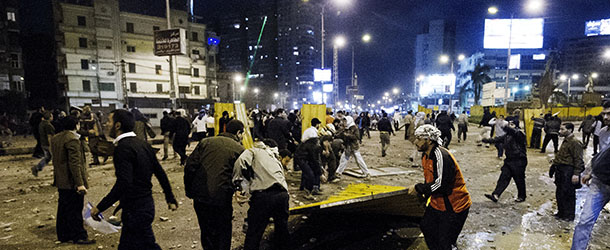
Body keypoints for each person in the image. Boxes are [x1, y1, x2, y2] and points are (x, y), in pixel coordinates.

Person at [91, 109, 178, 249]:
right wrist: (170, 198)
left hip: (135, 210)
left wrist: (100, 207)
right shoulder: (142, 145)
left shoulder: (123, 149)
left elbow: (124, 182)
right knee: (142, 244)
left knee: (143, 245)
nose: (106, 124)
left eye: (109, 121)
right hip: (145, 206)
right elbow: (160, 173)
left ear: (118, 125)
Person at [184, 120, 245, 250]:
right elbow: (240, 175)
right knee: (223, 232)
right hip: (221, 199)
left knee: (206, 231)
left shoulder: (206, 142)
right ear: (238, 133)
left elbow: (190, 166)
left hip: (200, 197)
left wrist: (190, 190)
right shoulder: (239, 149)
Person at [410, 125, 471, 250]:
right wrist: (424, 197)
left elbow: (441, 185)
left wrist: (418, 188)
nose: (415, 142)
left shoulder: (441, 156)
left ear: (429, 140)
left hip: (454, 206)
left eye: (419, 139)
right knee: (427, 227)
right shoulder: (425, 156)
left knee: (445, 241)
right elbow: (429, 180)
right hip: (438, 204)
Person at [233, 139, 291, 250]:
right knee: (282, 231)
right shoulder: (274, 158)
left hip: (264, 196)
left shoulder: (254, 151)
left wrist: (237, 185)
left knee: (254, 232)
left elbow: (240, 161)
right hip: (282, 196)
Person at [571, 101, 610, 249]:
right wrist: (590, 172)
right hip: (600, 184)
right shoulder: (603, 132)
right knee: (584, 222)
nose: (605, 117)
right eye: (604, 114)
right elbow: (602, 155)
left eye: (609, 114)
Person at [51, 116, 95, 245]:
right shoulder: (73, 139)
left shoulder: (56, 138)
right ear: (76, 125)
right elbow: (75, 164)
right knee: (75, 209)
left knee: (63, 208)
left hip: (61, 180)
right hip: (71, 182)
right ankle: (79, 236)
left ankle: (63, 235)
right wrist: (80, 184)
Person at [483, 121, 528, 203]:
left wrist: (505, 127)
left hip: (519, 160)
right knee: (503, 177)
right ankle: (496, 195)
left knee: (519, 179)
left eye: (512, 124)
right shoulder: (507, 136)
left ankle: (522, 196)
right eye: (509, 124)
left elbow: (514, 132)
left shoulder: (520, 134)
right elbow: (497, 139)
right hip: (509, 160)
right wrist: (485, 140)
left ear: (516, 126)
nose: (509, 126)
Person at [548, 123, 584, 222]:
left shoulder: (575, 142)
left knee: (568, 194)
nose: (560, 131)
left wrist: (576, 174)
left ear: (570, 130)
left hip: (568, 171)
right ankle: (561, 213)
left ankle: (569, 215)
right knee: (560, 192)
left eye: (562, 129)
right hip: (561, 170)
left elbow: (578, 159)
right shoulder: (566, 141)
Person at [335, 116, 370, 180]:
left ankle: (366, 173)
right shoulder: (345, 128)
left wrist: (347, 135)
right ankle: (338, 173)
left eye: (345, 121)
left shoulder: (354, 128)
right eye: (344, 121)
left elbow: (357, 137)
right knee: (343, 160)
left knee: (359, 160)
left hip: (354, 147)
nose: (344, 122)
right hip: (347, 147)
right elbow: (338, 135)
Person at [295, 118, 323, 199]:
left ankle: (304, 187)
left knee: (307, 171)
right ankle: (308, 192)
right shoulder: (314, 138)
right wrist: (320, 172)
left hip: (304, 154)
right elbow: (315, 158)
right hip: (302, 156)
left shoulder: (308, 131)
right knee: (310, 174)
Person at [32, 111, 55, 177]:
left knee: (48, 157)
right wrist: (51, 145)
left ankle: (38, 167)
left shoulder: (41, 124)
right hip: (48, 144)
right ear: (50, 117)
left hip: (43, 143)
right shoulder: (48, 125)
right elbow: (49, 136)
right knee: (53, 158)